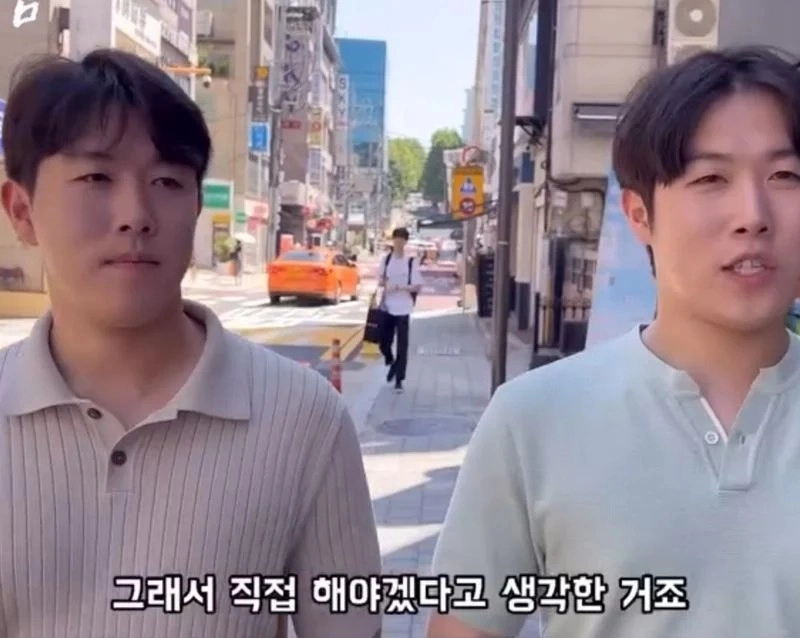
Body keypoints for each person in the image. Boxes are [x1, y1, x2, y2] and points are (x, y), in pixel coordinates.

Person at [0, 49, 380, 638]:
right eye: (96, 177)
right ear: (22, 211)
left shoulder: (306, 420)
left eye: (167, 181)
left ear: (196, 205)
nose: (136, 214)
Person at [428, 46, 800, 638]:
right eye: (711, 178)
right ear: (640, 214)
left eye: (785, 176)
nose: (752, 215)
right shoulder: (533, 418)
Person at [378, 226, 423, 393]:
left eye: (401, 239)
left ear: (405, 242)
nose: (398, 242)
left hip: (404, 308)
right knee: (384, 342)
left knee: (402, 346)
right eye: (396, 239)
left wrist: (401, 287)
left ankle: (399, 379)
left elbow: (417, 286)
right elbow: (380, 280)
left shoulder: (410, 262)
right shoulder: (386, 260)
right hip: (387, 306)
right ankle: (391, 361)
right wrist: (386, 284)